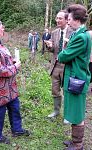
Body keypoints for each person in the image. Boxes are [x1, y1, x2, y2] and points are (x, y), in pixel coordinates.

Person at [0, 18, 30, 144]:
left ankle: (17, 130)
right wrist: (15, 67)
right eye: (2, 27)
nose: (4, 29)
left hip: (9, 87)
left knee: (15, 107)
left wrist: (11, 62)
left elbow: (1, 61)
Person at [58, 4, 91, 150]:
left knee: (77, 113)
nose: (68, 21)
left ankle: (78, 144)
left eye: (69, 18)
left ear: (77, 19)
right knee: (74, 111)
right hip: (75, 78)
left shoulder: (81, 37)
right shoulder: (79, 33)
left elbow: (63, 56)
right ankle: (74, 141)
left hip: (76, 79)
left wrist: (63, 52)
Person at [45, 10, 73, 123]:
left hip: (68, 66)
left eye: (60, 18)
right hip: (55, 65)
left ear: (67, 20)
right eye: (56, 18)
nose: (57, 20)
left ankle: (68, 115)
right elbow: (53, 50)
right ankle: (56, 111)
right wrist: (49, 46)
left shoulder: (73, 32)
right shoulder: (55, 32)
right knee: (55, 90)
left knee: (67, 91)